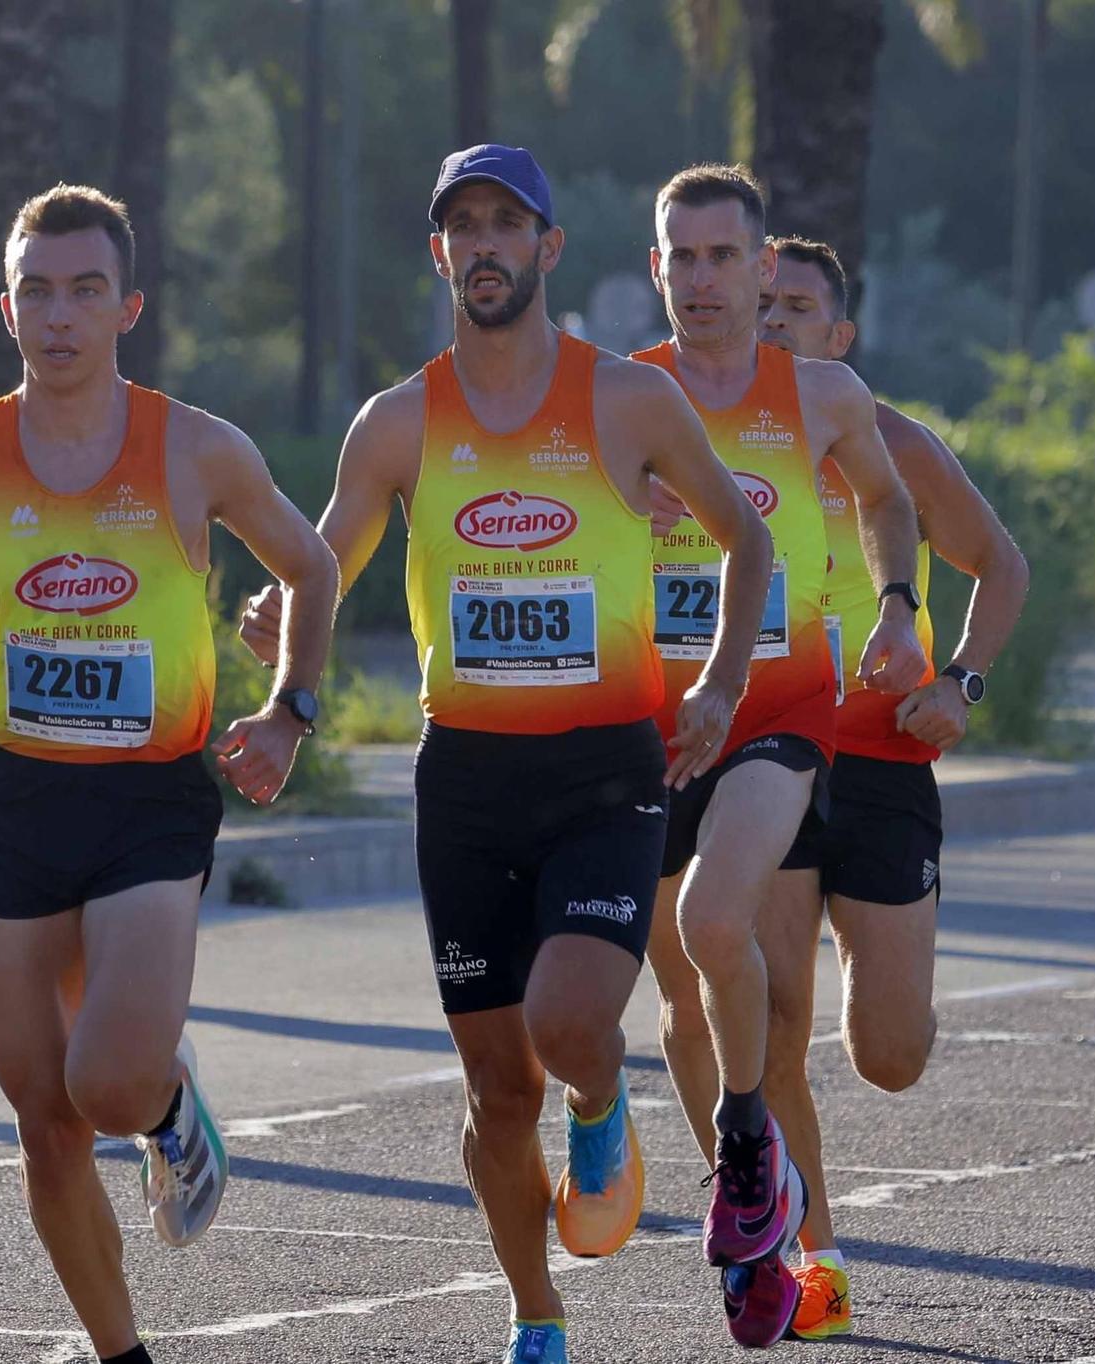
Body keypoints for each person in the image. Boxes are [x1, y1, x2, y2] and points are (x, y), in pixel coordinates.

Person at [241, 144, 769, 1364]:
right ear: (440, 253)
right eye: (460, 226)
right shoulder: (396, 420)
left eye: (504, 223)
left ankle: (602, 1096)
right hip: (465, 778)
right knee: (492, 1090)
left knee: (569, 1018)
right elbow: (323, 563)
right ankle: (536, 1311)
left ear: (546, 248)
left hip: (603, 764)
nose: (482, 244)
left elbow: (743, 538)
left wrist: (721, 681)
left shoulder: (626, 401)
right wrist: (286, 658)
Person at [0, 183, 337, 1364]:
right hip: (19, 790)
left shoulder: (194, 447)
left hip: (147, 795)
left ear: (126, 306)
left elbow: (313, 566)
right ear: (5, 304)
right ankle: (122, 1349)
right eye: (35, 289)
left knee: (110, 1082)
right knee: (43, 1115)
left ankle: (170, 1107)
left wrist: (290, 710)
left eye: (83, 290)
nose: (57, 314)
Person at [635, 165, 926, 1348]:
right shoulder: (614, 398)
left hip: (778, 710)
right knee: (682, 1002)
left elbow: (887, 501)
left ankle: (765, 1176)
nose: (701, 280)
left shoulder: (821, 395)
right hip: (646, 728)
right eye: (680, 258)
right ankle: (758, 1229)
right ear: (654, 268)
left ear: (764, 272)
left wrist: (900, 607)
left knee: (726, 936)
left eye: (723, 259)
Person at [753, 236, 1029, 1339]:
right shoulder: (697, 434)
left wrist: (959, 682)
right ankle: (810, 1256)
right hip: (765, 755)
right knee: (772, 1024)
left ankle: (890, 965)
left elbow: (999, 564)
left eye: (796, 306)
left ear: (839, 336)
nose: (772, 321)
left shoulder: (890, 445)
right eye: (760, 302)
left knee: (889, 1053)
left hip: (882, 766)